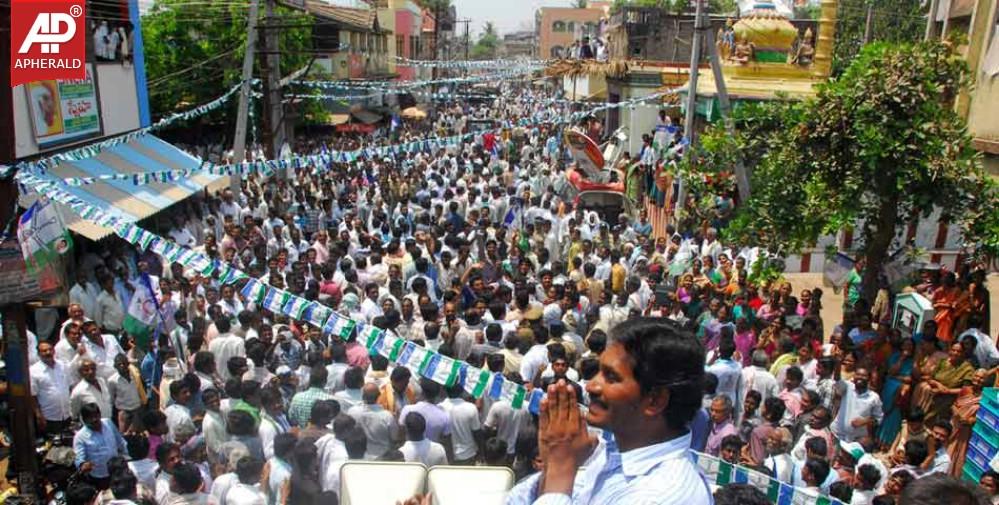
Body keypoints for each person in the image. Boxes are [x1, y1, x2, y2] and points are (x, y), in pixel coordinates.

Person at [507, 317, 711, 503]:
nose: (591, 386)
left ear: (655, 401)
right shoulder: (613, 453)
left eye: (611, 377)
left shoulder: (662, 495)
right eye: (598, 372)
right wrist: (553, 462)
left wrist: (561, 468)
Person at [73, 402, 127, 490]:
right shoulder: (80, 437)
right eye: (90, 418)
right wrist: (82, 465)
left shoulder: (108, 423)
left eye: (96, 416)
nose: (94, 419)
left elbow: (120, 441)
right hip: (100, 476)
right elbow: (79, 459)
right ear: (84, 420)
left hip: (117, 471)